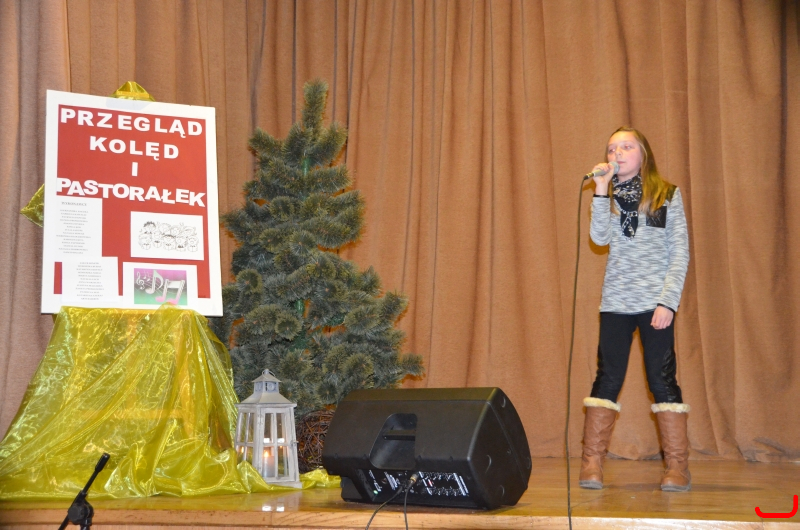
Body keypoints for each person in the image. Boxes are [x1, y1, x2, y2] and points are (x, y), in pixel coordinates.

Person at [580, 126, 691, 492]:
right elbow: (599, 238)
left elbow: (679, 253)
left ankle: (677, 467)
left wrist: (667, 302)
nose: (618, 153)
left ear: (643, 155)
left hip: (655, 303)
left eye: (626, 147)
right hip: (616, 302)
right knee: (607, 378)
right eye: (612, 148)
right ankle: (592, 463)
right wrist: (600, 189)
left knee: (662, 379)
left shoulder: (667, 194)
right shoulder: (608, 196)